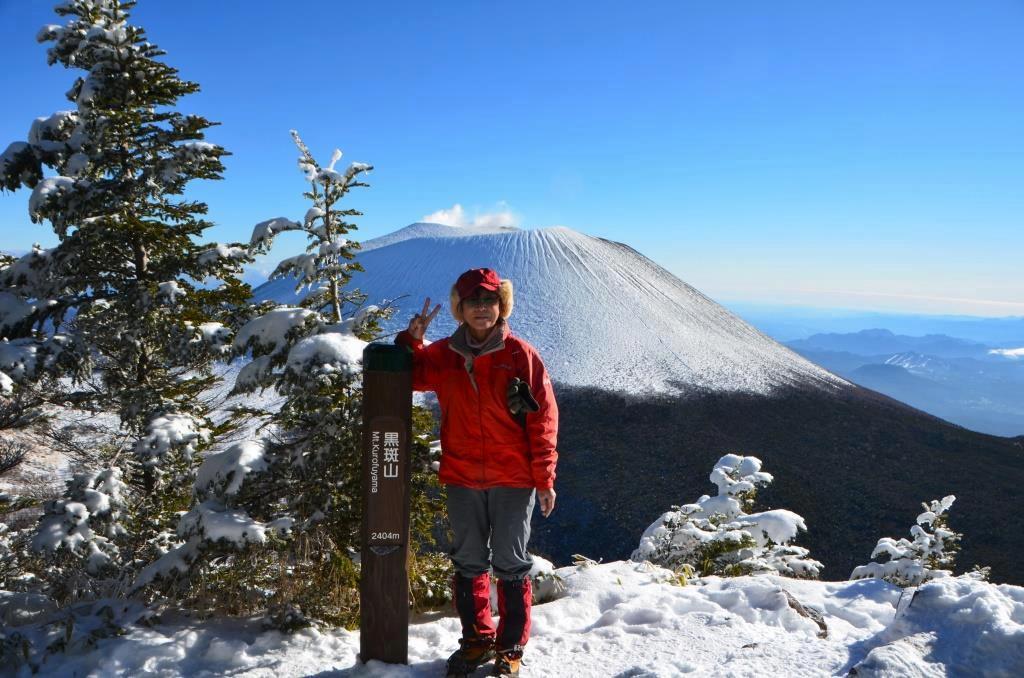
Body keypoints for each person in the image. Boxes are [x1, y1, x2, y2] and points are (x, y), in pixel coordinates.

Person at [395, 267, 558, 678]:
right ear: (460, 309)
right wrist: (411, 341)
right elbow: (411, 377)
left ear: (501, 305)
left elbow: (544, 420)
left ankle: (510, 647)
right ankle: (476, 640)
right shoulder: (444, 355)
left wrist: (545, 478)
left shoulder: (520, 355)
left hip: (513, 477)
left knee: (510, 561)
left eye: (488, 301)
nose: (482, 309)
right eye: (473, 302)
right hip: (463, 476)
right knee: (468, 561)